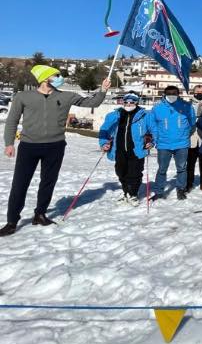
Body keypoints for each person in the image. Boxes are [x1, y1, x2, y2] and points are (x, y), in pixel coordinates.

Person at [0, 65, 110, 236]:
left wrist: (102, 90)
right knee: (20, 183)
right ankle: (12, 221)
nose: (60, 77)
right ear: (45, 78)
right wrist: (9, 143)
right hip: (29, 146)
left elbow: (92, 102)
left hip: (55, 146)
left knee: (48, 182)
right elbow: (12, 121)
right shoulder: (23, 96)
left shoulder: (66, 96)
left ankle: (40, 214)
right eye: (56, 75)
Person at [98, 91, 151, 206]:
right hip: (119, 149)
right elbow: (104, 130)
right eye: (126, 101)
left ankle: (133, 194)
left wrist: (150, 141)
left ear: (137, 102)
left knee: (135, 172)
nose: (128, 104)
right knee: (120, 171)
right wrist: (104, 143)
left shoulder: (145, 116)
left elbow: (153, 131)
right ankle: (125, 191)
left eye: (131, 102)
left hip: (136, 149)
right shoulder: (114, 115)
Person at [148, 86, 196, 201]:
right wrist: (156, 138)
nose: (171, 95)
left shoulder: (187, 106)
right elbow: (153, 125)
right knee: (162, 169)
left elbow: (192, 123)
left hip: (181, 144)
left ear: (178, 94)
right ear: (164, 94)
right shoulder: (157, 108)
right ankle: (159, 191)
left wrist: (184, 134)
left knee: (181, 168)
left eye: (174, 93)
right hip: (164, 144)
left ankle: (181, 189)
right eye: (168, 93)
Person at [187, 84, 202, 193]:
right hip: (191, 138)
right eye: (197, 92)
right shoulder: (188, 105)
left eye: (201, 92)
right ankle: (189, 183)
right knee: (190, 164)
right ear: (193, 92)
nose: (199, 93)